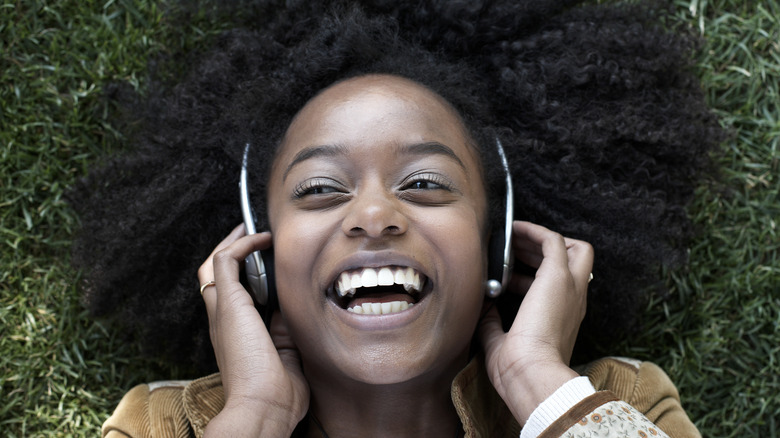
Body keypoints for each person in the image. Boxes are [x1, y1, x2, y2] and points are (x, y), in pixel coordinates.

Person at [69, 1, 723, 437]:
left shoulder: (619, 402)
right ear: (256, 256)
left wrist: (539, 384)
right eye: (322, 188)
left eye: (425, 182)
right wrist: (255, 417)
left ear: (498, 240)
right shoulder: (160, 423)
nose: (376, 215)